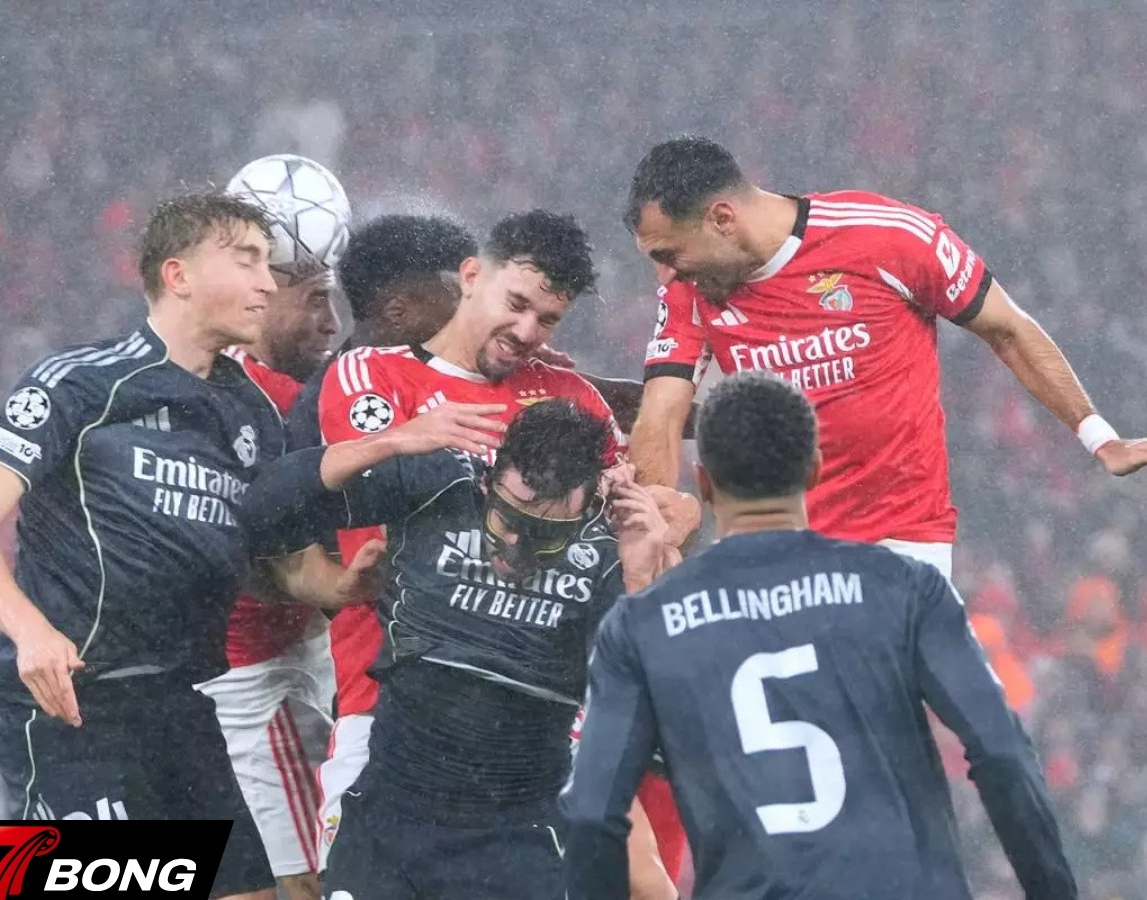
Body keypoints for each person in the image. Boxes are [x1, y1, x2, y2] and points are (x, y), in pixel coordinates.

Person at [561, 371, 1079, 900]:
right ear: (814, 470)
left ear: (706, 482)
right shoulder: (902, 587)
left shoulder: (643, 623)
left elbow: (594, 810)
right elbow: (1002, 751)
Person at [0, 191, 284, 900]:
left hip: (183, 709)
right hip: (75, 712)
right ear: (179, 275)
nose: (269, 284)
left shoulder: (252, 415)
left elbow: (263, 567)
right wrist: (32, 635)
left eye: (269, 266)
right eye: (247, 260)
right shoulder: (82, 382)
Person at [627, 135, 1147, 581]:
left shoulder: (885, 236)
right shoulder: (691, 292)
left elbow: (1008, 329)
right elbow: (661, 412)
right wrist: (654, 508)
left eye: (669, 256)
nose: (665, 276)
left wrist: (1099, 437)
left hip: (899, 547)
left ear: (722, 218)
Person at [242, 400, 672, 900]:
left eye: (543, 534)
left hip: (517, 835)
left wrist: (642, 580)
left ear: (586, 507)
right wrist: (387, 443)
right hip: (391, 817)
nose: (514, 546)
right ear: (490, 480)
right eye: (506, 519)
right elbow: (262, 514)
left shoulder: (613, 544)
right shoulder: (441, 482)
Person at [196, 158, 346, 900]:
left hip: (304, 641)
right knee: (300, 886)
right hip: (247, 669)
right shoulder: (265, 399)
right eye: (315, 297)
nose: (332, 321)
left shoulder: (280, 382)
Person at [286, 213, 477, 450]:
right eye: (460, 298)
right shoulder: (331, 409)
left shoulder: (458, 373)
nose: (475, 311)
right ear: (397, 314)